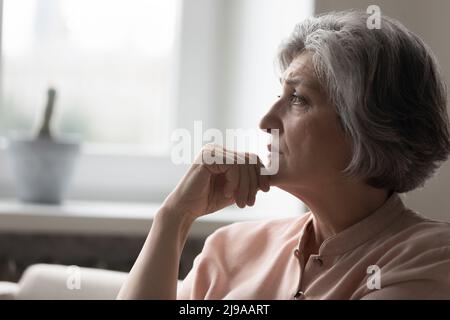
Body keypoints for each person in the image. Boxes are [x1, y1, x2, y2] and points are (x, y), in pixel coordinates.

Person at [117, 10, 450, 300]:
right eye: (282, 93)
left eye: (298, 99)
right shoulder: (231, 248)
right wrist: (174, 217)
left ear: (368, 123)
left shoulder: (429, 257)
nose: (265, 122)